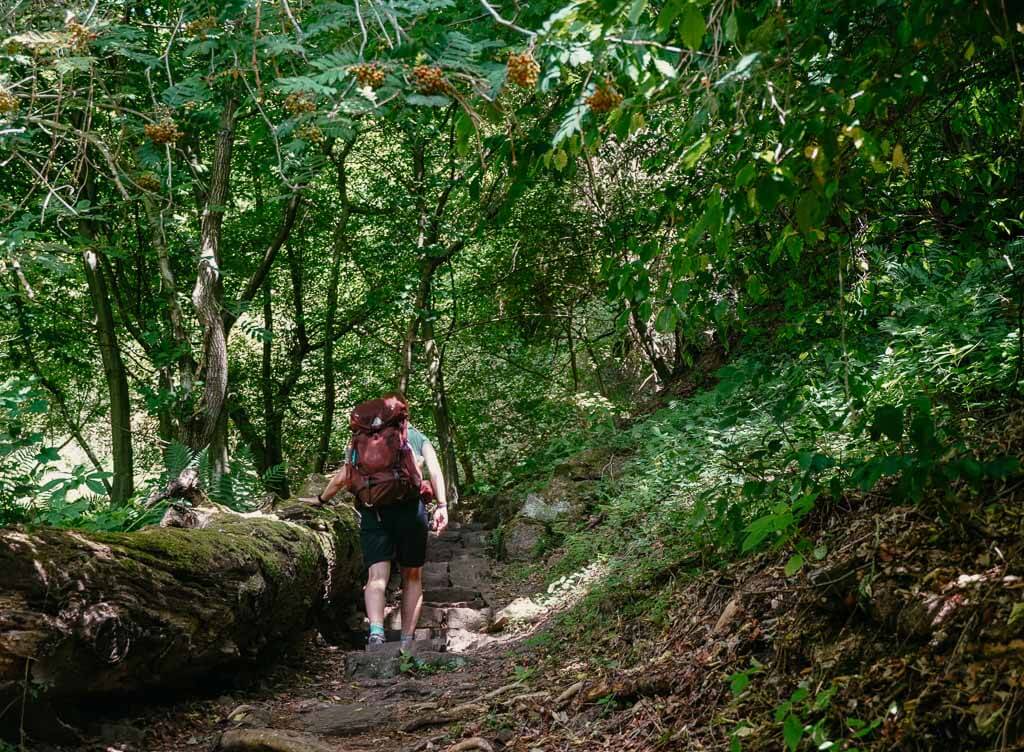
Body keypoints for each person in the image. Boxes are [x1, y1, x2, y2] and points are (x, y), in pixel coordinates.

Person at [315, 392, 448, 650]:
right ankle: (407, 640)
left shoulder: (359, 442)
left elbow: (344, 476)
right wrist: (442, 505)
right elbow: (435, 469)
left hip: (373, 511)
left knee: (376, 576)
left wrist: (321, 500)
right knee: (412, 575)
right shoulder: (413, 436)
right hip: (410, 510)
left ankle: (376, 633)